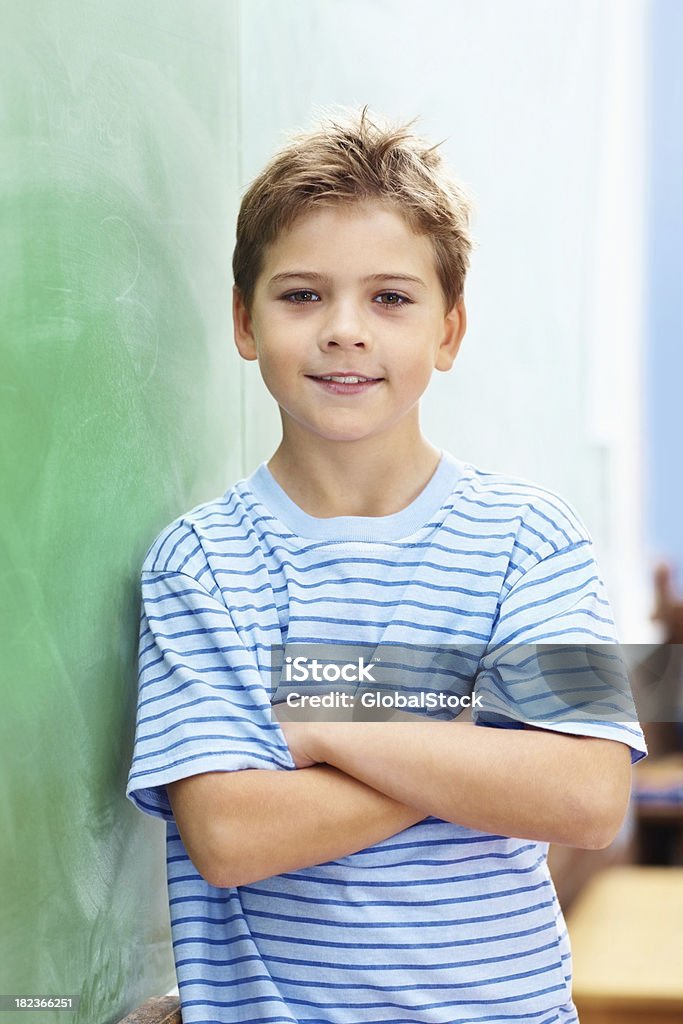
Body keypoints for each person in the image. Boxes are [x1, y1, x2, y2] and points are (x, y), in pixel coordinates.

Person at [126, 107, 647, 1024]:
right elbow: (232, 835)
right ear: (245, 324)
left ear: (448, 333)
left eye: (390, 298)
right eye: (300, 295)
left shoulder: (530, 538)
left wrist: (330, 734)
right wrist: (477, 747)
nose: (344, 330)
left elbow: (584, 796)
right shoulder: (201, 563)